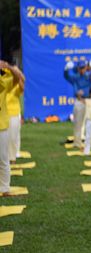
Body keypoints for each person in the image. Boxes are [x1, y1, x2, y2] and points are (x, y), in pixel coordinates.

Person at [0, 60, 22, 196]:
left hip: (1, 126)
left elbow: (17, 77)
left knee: (3, 158)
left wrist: (8, 67)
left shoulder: (4, 83)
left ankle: (4, 188)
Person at [64, 60, 91, 149]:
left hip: (89, 101)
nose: (82, 70)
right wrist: (66, 69)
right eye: (80, 68)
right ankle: (77, 142)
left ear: (86, 68)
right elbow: (66, 76)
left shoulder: (89, 76)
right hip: (79, 101)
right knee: (78, 123)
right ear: (77, 68)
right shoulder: (75, 77)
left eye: (83, 68)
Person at [6, 65, 25, 163]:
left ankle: (12, 158)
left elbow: (22, 85)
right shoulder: (3, 85)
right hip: (3, 115)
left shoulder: (16, 86)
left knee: (13, 137)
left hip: (14, 114)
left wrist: (14, 70)